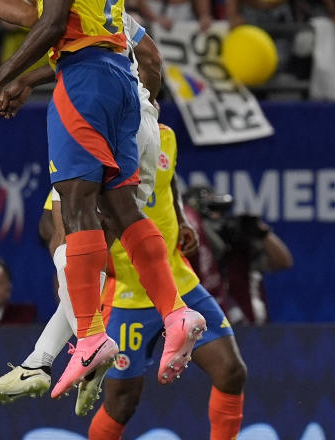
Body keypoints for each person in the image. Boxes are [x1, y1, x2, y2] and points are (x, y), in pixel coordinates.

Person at [0, 0, 206, 397]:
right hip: (121, 85)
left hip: (87, 79)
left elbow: (48, 22)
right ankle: (175, 313)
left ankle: (88, 339)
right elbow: (66, 23)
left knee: (72, 209)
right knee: (116, 209)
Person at [88, 123, 248, 440]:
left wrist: (182, 217)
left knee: (231, 371)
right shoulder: (102, 142)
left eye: (157, 70)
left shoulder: (166, 135)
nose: (155, 74)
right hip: (128, 294)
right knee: (122, 403)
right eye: (149, 70)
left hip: (179, 283)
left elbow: (168, 180)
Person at [183, 184, 294, 326]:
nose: (215, 217)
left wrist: (261, 232)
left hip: (252, 329)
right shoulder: (185, 249)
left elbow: (284, 261)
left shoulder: (238, 239)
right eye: (209, 211)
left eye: (217, 211)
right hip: (206, 327)